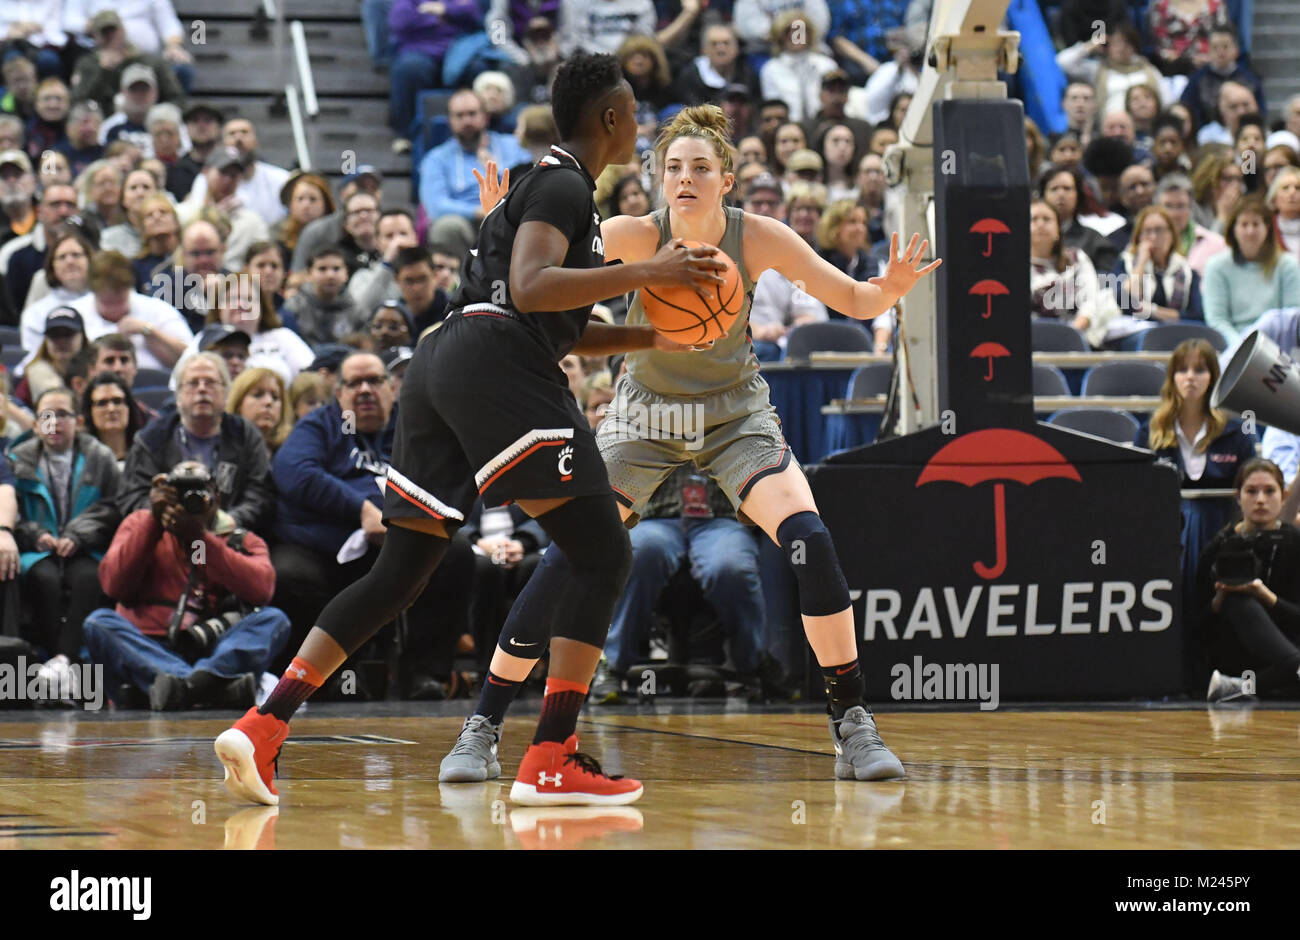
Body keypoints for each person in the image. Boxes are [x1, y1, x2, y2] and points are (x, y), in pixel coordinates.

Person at [214, 52, 731, 807]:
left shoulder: (536, 187)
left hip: (444, 362)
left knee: (400, 573)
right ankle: (552, 754)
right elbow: (531, 287)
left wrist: (653, 340)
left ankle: (265, 723)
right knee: (602, 551)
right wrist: (646, 275)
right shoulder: (561, 183)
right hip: (495, 364)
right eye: (634, 113)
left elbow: (553, 321)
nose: (640, 126)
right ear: (613, 118)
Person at [451, 100, 941, 786]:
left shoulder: (759, 236)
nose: (685, 177)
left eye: (701, 168)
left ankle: (852, 723)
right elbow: (527, 275)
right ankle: (483, 727)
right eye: (673, 167)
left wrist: (888, 290)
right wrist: (498, 222)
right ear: (657, 178)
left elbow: (852, 299)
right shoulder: (627, 233)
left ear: (727, 179)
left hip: (734, 414)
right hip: (644, 416)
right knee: (568, 556)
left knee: (809, 538)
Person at [264, 351, 476, 699]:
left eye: (374, 381)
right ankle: (330, 678)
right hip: (326, 543)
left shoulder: (412, 426)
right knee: (290, 574)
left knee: (457, 553)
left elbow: (445, 474)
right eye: (353, 383)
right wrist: (360, 509)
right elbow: (293, 471)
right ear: (339, 393)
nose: (364, 390)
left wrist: (400, 516)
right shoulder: (321, 425)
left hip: (400, 535)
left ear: (392, 388)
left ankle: (423, 674)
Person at [85, 459, 290, 711]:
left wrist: (201, 539)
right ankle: (213, 690)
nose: (188, 501)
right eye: (179, 493)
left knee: (274, 619)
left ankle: (185, 687)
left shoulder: (240, 539)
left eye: (198, 492)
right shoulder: (140, 522)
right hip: (145, 647)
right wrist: (154, 522)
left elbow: (262, 591)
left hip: (210, 649)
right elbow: (113, 586)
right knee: (98, 622)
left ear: (216, 496)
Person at [592, 462, 764, 702]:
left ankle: (751, 665)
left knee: (730, 567)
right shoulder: (640, 423)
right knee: (640, 555)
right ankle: (612, 665)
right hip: (654, 517)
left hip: (721, 518)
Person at [1135, 338, 1257, 656]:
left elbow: (1249, 489)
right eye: (1183, 369)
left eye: (1200, 370)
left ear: (1213, 378)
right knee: (1189, 516)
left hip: (1224, 534)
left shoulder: (1237, 430)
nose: (1190, 377)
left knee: (1199, 516)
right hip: (1164, 533)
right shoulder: (1150, 431)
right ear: (1172, 377)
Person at [13, 384, 119, 668]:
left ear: (79, 421)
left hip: (86, 547)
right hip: (36, 549)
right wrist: (37, 535)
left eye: (62, 414)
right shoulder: (17, 459)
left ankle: (62, 661)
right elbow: (13, 511)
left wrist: (78, 535)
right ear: (35, 424)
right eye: (46, 415)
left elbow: (113, 508)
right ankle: (59, 660)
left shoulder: (100, 457)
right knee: (44, 579)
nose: (54, 423)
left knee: (89, 578)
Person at [117, 351, 274, 535]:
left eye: (210, 382)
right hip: (165, 537)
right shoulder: (151, 439)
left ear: (226, 395)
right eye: (193, 383)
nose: (201, 389)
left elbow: (261, 495)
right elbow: (130, 498)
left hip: (231, 535)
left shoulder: (245, 435)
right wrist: (160, 510)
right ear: (178, 396)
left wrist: (229, 522)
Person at [1197, 459, 1300, 702]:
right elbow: (1196, 627)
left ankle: (1240, 688)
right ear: (1238, 496)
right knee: (1240, 602)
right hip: (1235, 647)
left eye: (1269, 491)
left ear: (1284, 495)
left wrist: (1266, 596)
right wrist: (1219, 601)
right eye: (1251, 491)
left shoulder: (1295, 543)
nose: (1260, 500)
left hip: (1286, 646)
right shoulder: (1218, 546)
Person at [1203, 195, 1300, 347]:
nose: (1250, 231)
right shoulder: (1216, 266)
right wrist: (1243, 348)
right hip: (1233, 347)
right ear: (1233, 229)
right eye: (1244, 224)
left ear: (1267, 228)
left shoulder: (1288, 265)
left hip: (1278, 347)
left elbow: (1291, 319)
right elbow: (1217, 321)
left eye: (1256, 224)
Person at [1107, 205, 1204, 346]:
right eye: (1147, 232)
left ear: (1171, 234)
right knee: (1151, 340)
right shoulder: (1126, 264)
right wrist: (1141, 262)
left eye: (1159, 230)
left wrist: (1151, 310)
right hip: (1134, 335)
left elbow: (1196, 315)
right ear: (1138, 237)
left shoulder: (1186, 272)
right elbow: (1125, 301)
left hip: (1176, 334)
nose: (1153, 237)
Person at [1029, 199, 1113, 348]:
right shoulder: (1012, 264)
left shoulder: (1076, 258)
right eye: (1033, 219)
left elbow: (1089, 301)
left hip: (1075, 335)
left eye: (1047, 219)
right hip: (1030, 338)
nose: (1040, 224)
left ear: (1058, 230)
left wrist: (1071, 332)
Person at [1156, 172, 1225, 276]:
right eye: (1168, 206)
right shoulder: (1147, 244)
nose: (1174, 214)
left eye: (1180, 206)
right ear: (1156, 208)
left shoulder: (1217, 244)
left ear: (1190, 208)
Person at [17, 306, 87, 408]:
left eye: (68, 334)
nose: (61, 341)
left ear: (82, 337)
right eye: (54, 334)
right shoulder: (33, 374)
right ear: (46, 340)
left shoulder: (95, 370)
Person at [81, 371, 143, 467]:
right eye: (102, 403)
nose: (111, 409)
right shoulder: (81, 460)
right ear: (90, 412)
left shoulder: (147, 453)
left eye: (117, 401)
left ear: (129, 407)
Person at [227, 366, 291, 457]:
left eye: (275, 397)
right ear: (238, 404)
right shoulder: (222, 450)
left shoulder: (291, 452)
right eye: (258, 395)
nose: (269, 402)